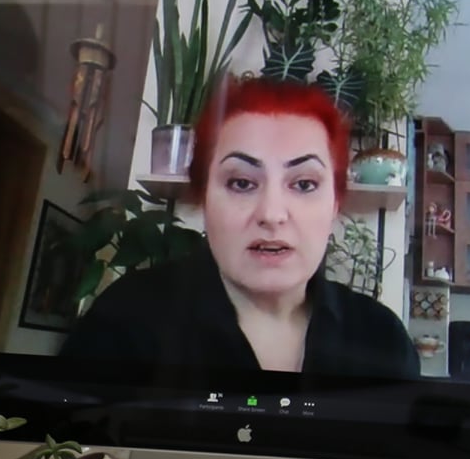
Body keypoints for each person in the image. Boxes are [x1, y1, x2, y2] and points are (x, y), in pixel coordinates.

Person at [59, 77, 419, 377]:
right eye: (242, 183)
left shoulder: (383, 341)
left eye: (304, 184)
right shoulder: (122, 324)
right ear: (204, 199)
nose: (272, 214)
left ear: (335, 204)